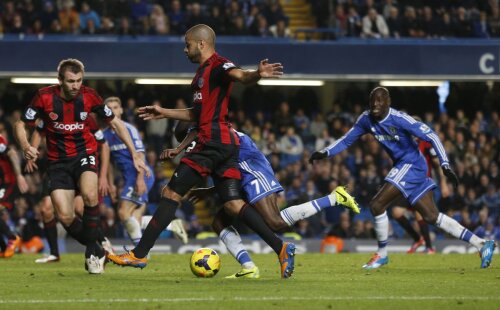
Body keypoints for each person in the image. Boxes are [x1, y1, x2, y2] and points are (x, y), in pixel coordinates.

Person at [108, 24, 296, 278]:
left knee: (171, 192)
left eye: (187, 44)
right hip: (224, 143)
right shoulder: (201, 74)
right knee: (232, 203)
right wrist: (163, 111)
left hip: (212, 142)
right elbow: (196, 114)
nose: (185, 49)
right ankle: (281, 248)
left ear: (201, 44)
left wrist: (257, 74)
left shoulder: (219, 65)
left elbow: (241, 76)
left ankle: (139, 254)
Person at [309, 87, 496, 270]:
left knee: (376, 205)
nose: (376, 103)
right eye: (373, 100)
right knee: (431, 216)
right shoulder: (366, 119)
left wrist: (445, 164)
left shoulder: (399, 119)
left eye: (380, 100)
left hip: (412, 164)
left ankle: (382, 255)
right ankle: (481, 243)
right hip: (405, 166)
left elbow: (432, 135)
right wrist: (325, 153)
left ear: (388, 103)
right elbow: (346, 139)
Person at [166, 122, 360, 278]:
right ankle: (249, 267)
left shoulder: (210, 135)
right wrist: (210, 190)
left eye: (187, 143)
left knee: (274, 222)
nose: (189, 148)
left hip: (251, 168)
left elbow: (229, 162)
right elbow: (227, 174)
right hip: (239, 173)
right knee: (219, 223)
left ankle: (334, 198)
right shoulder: (209, 134)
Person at [14, 58, 149, 274]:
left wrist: (134, 152)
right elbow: (20, 124)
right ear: (60, 80)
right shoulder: (44, 97)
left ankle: (91, 256)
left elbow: (115, 122)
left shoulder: (90, 96)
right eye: (70, 81)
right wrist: (25, 146)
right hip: (58, 162)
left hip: (85, 155)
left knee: (90, 196)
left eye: (78, 80)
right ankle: (97, 249)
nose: (75, 85)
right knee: (65, 215)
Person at [26, 115, 114, 263]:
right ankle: (54, 253)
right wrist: (32, 151)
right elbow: (38, 132)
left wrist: (103, 176)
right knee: (46, 210)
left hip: (79, 165)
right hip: (56, 166)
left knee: (79, 209)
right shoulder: (48, 112)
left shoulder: (86, 116)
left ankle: (102, 242)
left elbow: (103, 145)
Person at [102, 97, 187, 246]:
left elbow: (140, 155)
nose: (113, 111)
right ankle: (171, 226)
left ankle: (139, 253)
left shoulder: (129, 129)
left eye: (116, 107)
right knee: (134, 219)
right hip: (128, 178)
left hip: (140, 175)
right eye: (109, 109)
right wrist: (111, 184)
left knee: (123, 212)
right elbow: (108, 162)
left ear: (121, 110)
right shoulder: (105, 135)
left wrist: (140, 179)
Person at [392, 117, 450, 254]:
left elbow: (436, 164)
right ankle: (418, 239)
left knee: (419, 215)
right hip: (407, 185)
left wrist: (443, 183)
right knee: (396, 212)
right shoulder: (404, 143)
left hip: (421, 184)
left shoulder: (426, 143)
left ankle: (429, 247)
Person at [0, 134, 29, 258]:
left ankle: (13, 237)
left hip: (8, 182)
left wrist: (18, 176)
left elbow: (11, 153)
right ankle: (4, 248)